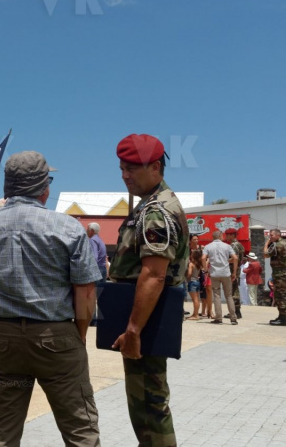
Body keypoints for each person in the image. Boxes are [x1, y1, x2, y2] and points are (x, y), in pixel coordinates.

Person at [0, 151, 102, 447]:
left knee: (0, 433)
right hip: (55, 334)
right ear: (44, 188)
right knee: (80, 429)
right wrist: (78, 335)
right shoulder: (68, 227)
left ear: (8, 186)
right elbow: (86, 291)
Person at [110, 134, 188, 447]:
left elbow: (154, 274)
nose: (124, 175)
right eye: (121, 168)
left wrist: (133, 330)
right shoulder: (153, 204)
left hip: (147, 322)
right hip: (148, 319)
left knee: (149, 408)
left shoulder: (156, 211)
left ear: (155, 167)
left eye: (132, 168)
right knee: (149, 404)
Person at [204, 230, 238, 325]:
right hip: (225, 273)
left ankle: (218, 318)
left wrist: (206, 269)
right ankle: (233, 318)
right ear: (220, 236)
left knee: (217, 295)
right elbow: (235, 258)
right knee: (229, 295)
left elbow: (203, 258)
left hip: (214, 273)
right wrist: (234, 272)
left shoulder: (208, 246)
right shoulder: (227, 246)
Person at [263, 229, 286, 326]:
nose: (270, 237)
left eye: (271, 235)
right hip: (283, 273)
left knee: (280, 296)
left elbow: (265, 254)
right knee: (282, 295)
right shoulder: (284, 243)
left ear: (278, 235)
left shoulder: (277, 245)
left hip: (280, 275)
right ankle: (281, 316)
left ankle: (283, 318)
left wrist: (266, 243)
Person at [225, 228, 245, 319]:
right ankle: (237, 311)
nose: (226, 237)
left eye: (228, 235)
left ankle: (235, 312)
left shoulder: (234, 245)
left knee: (232, 291)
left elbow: (234, 258)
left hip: (232, 270)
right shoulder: (240, 245)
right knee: (235, 290)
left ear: (232, 235)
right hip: (236, 270)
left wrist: (223, 260)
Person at [185, 250, 204, 320]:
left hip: (192, 282)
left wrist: (186, 276)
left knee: (194, 299)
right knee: (197, 299)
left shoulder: (191, 264)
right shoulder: (198, 264)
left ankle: (195, 315)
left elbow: (189, 273)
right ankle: (195, 313)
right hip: (197, 281)